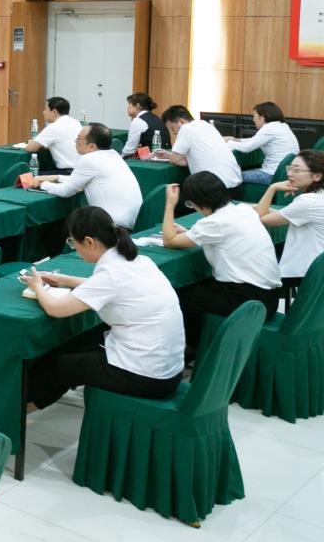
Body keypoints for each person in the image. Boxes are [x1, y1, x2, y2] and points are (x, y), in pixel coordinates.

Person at [24, 207, 184, 410]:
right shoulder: (139, 260)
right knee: (74, 345)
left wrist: (38, 286)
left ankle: (16, 415)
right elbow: (109, 287)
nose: (74, 248)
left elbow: (55, 309)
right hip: (166, 367)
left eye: (73, 242)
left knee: (57, 367)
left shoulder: (111, 274)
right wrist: (64, 280)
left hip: (148, 377)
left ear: (89, 242)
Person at [162, 172, 280, 349]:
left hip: (246, 300)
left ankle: (193, 348)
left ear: (200, 203)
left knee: (180, 295)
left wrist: (170, 205)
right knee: (200, 286)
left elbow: (169, 241)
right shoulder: (243, 210)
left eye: (191, 204)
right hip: (270, 297)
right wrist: (191, 234)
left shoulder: (214, 223)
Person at [28, 124, 143, 228]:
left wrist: (42, 184)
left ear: (92, 146)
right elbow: (82, 180)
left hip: (112, 226)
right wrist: (55, 178)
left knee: (71, 224)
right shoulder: (113, 155)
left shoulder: (89, 159)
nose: (75, 141)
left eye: (78, 139)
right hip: (132, 222)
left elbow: (66, 191)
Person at [257, 150, 324, 282]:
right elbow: (288, 214)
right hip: (320, 269)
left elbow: (261, 217)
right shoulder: (319, 197)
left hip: (305, 273)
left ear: (317, 176)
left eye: (296, 170)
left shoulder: (308, 202)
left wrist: (272, 188)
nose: (289, 174)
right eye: (290, 168)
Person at [162, 105, 243, 194]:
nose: (174, 132)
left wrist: (170, 156)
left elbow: (175, 159)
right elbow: (196, 157)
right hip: (236, 185)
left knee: (173, 194)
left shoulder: (187, 128)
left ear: (181, 121)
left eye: (172, 128)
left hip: (216, 189)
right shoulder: (205, 124)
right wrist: (169, 155)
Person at [228, 101, 296, 186]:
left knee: (232, 176)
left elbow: (247, 148)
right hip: (283, 174)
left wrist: (229, 142)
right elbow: (255, 140)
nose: (253, 119)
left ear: (262, 117)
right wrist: (236, 140)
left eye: (254, 116)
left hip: (271, 175)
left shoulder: (269, 128)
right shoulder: (282, 126)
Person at [25, 97, 82, 172]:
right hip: (80, 169)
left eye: (46, 109)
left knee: (30, 175)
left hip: (66, 172)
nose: (43, 112)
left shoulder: (54, 127)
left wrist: (31, 142)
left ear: (54, 112)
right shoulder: (76, 122)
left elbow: (30, 148)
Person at [121, 92, 169, 158]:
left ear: (137, 105)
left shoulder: (138, 121)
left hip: (152, 159)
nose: (128, 107)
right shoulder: (156, 118)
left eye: (130, 104)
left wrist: (120, 157)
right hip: (165, 156)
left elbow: (130, 149)